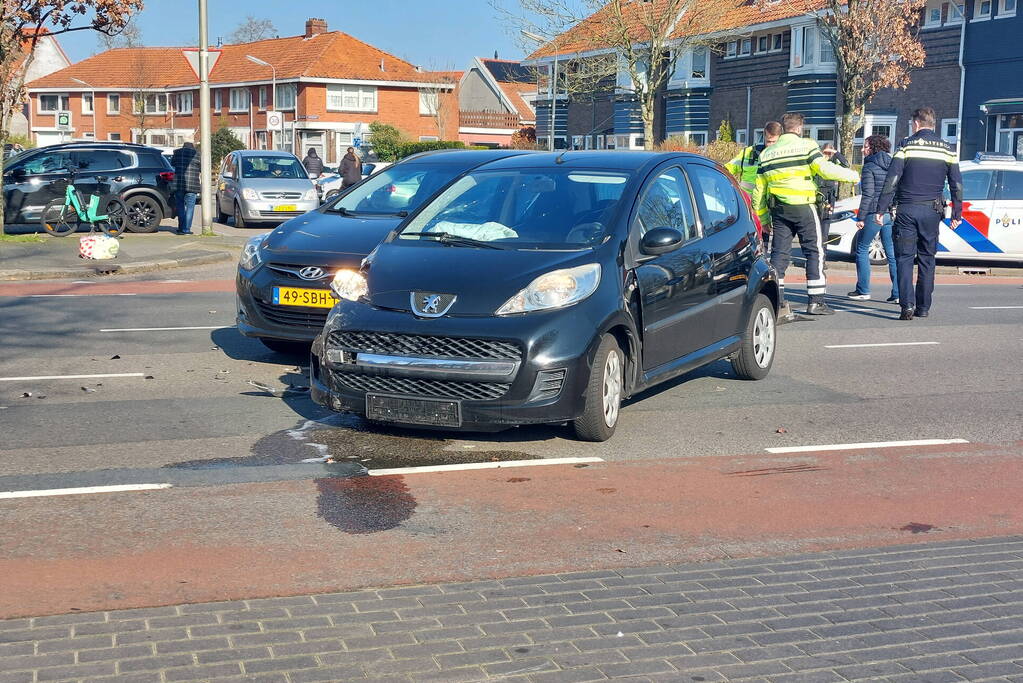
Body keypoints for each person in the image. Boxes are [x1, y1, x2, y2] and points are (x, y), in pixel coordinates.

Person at [752, 112, 860, 316]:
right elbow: (825, 170)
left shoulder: (766, 154)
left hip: (779, 210)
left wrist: (764, 219)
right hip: (804, 208)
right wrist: (853, 176)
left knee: (779, 256)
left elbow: (759, 191)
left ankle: (778, 303)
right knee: (814, 252)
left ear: (783, 129)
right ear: (800, 129)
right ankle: (816, 302)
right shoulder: (807, 146)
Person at [877, 107, 963, 320]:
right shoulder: (947, 149)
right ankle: (923, 307)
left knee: (904, 258)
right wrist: (957, 214)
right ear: (933, 124)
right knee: (927, 258)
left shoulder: (906, 145)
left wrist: (881, 208)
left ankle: (907, 306)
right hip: (932, 211)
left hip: (906, 209)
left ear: (916, 124)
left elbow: (892, 179)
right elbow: (957, 184)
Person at [848, 135, 899, 303]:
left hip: (873, 213)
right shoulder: (893, 164)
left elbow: (868, 194)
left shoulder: (869, 166)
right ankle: (898, 293)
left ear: (873, 148)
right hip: (888, 213)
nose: (862, 150)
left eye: (865, 146)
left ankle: (863, 290)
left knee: (862, 249)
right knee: (891, 253)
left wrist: (861, 217)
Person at [725, 121, 783, 193]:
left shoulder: (785, 156)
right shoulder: (748, 153)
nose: (771, 145)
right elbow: (726, 170)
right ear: (764, 136)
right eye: (768, 141)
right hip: (747, 200)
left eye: (774, 142)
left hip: (770, 202)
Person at [169, 142, 201, 235]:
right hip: (192, 185)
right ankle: (187, 229)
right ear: (193, 147)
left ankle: (180, 228)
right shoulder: (197, 154)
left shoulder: (177, 152)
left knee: (180, 206)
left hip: (179, 184)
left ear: (183, 146)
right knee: (190, 208)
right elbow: (201, 168)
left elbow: (173, 164)